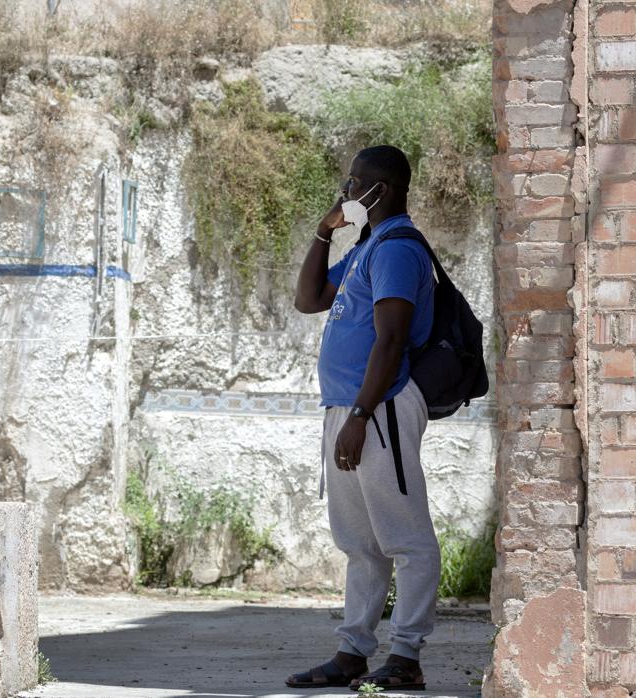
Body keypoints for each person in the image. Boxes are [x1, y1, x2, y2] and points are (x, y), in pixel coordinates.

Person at [286, 145, 438, 692]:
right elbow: (309, 299)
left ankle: (406, 655)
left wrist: (361, 413)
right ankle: (353, 651)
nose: (347, 191)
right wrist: (327, 231)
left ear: (384, 189)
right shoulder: (368, 245)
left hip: (381, 408)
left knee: (406, 539)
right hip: (351, 410)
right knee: (359, 542)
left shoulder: (398, 248)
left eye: (355, 182)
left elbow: (392, 338)